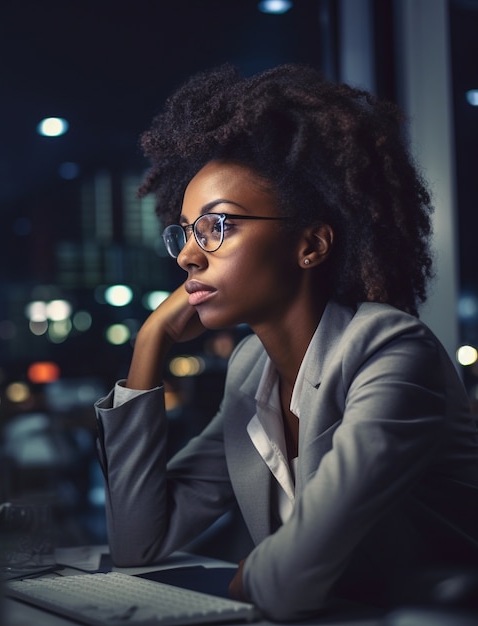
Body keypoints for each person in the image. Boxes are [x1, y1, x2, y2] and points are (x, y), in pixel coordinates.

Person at [93, 64, 478, 621]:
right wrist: (149, 343)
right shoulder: (252, 371)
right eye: (185, 232)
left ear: (311, 245)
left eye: (217, 227)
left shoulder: (393, 351)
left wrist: (256, 573)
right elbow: (136, 544)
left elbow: (291, 582)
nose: (187, 256)